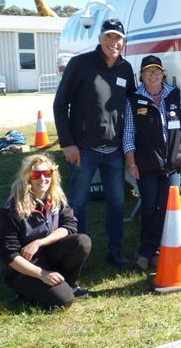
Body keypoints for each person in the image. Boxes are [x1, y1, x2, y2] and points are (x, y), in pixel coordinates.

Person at [53, 18, 134, 267]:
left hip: (114, 150)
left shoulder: (126, 69)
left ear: (123, 41)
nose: (113, 42)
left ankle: (115, 250)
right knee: (77, 203)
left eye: (118, 38)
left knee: (117, 202)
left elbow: (130, 107)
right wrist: (67, 143)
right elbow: (59, 104)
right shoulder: (81, 64)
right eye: (109, 37)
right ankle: (79, 254)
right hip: (83, 149)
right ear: (99, 38)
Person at [0, 154, 91, 308]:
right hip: (23, 267)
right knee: (64, 301)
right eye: (36, 174)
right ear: (27, 178)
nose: (43, 179)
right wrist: (42, 274)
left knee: (82, 241)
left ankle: (70, 284)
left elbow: (70, 226)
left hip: (48, 254)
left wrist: (39, 242)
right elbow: (9, 255)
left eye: (47, 174)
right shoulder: (10, 209)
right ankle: (25, 292)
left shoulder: (55, 197)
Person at [123, 55, 181, 270]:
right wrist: (131, 164)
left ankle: (152, 250)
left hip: (172, 163)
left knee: (167, 208)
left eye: (156, 71)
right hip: (146, 165)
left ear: (163, 73)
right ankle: (149, 249)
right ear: (141, 76)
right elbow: (128, 134)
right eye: (148, 72)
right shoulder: (134, 99)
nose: (153, 75)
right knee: (150, 207)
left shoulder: (174, 94)